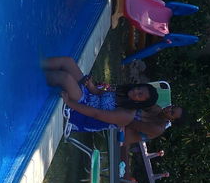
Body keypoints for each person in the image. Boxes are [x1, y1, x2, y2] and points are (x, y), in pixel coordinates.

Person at [42, 57, 182, 140]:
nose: (136, 91)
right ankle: (34, 65)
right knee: (68, 62)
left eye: (140, 95)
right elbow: (99, 93)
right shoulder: (126, 93)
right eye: (139, 89)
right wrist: (90, 85)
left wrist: (69, 103)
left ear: (140, 103)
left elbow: (96, 114)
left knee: (65, 78)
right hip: (89, 97)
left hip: (83, 114)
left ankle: (31, 81)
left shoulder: (127, 115)